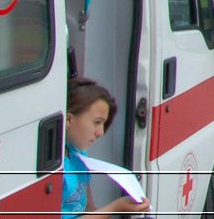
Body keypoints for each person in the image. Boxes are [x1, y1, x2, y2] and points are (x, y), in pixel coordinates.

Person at [63, 78, 150, 217]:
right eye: (97, 122)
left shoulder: (79, 154)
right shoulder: (57, 169)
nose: (101, 132)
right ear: (68, 120)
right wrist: (115, 208)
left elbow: (89, 208)